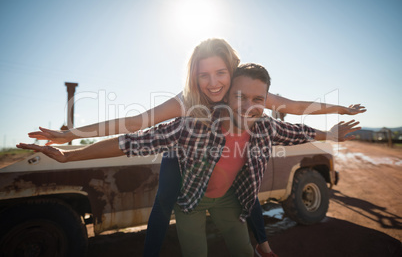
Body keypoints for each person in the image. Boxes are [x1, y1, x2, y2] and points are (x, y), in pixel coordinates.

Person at [27, 38, 366, 256]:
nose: (214, 82)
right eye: (205, 75)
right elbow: (135, 127)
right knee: (168, 201)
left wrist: (340, 111)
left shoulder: (245, 90)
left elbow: (294, 107)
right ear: (194, 77)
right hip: (182, 146)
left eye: (221, 73)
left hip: (225, 151)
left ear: (232, 72)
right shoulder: (186, 102)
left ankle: (260, 242)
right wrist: (73, 136)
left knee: (247, 180)